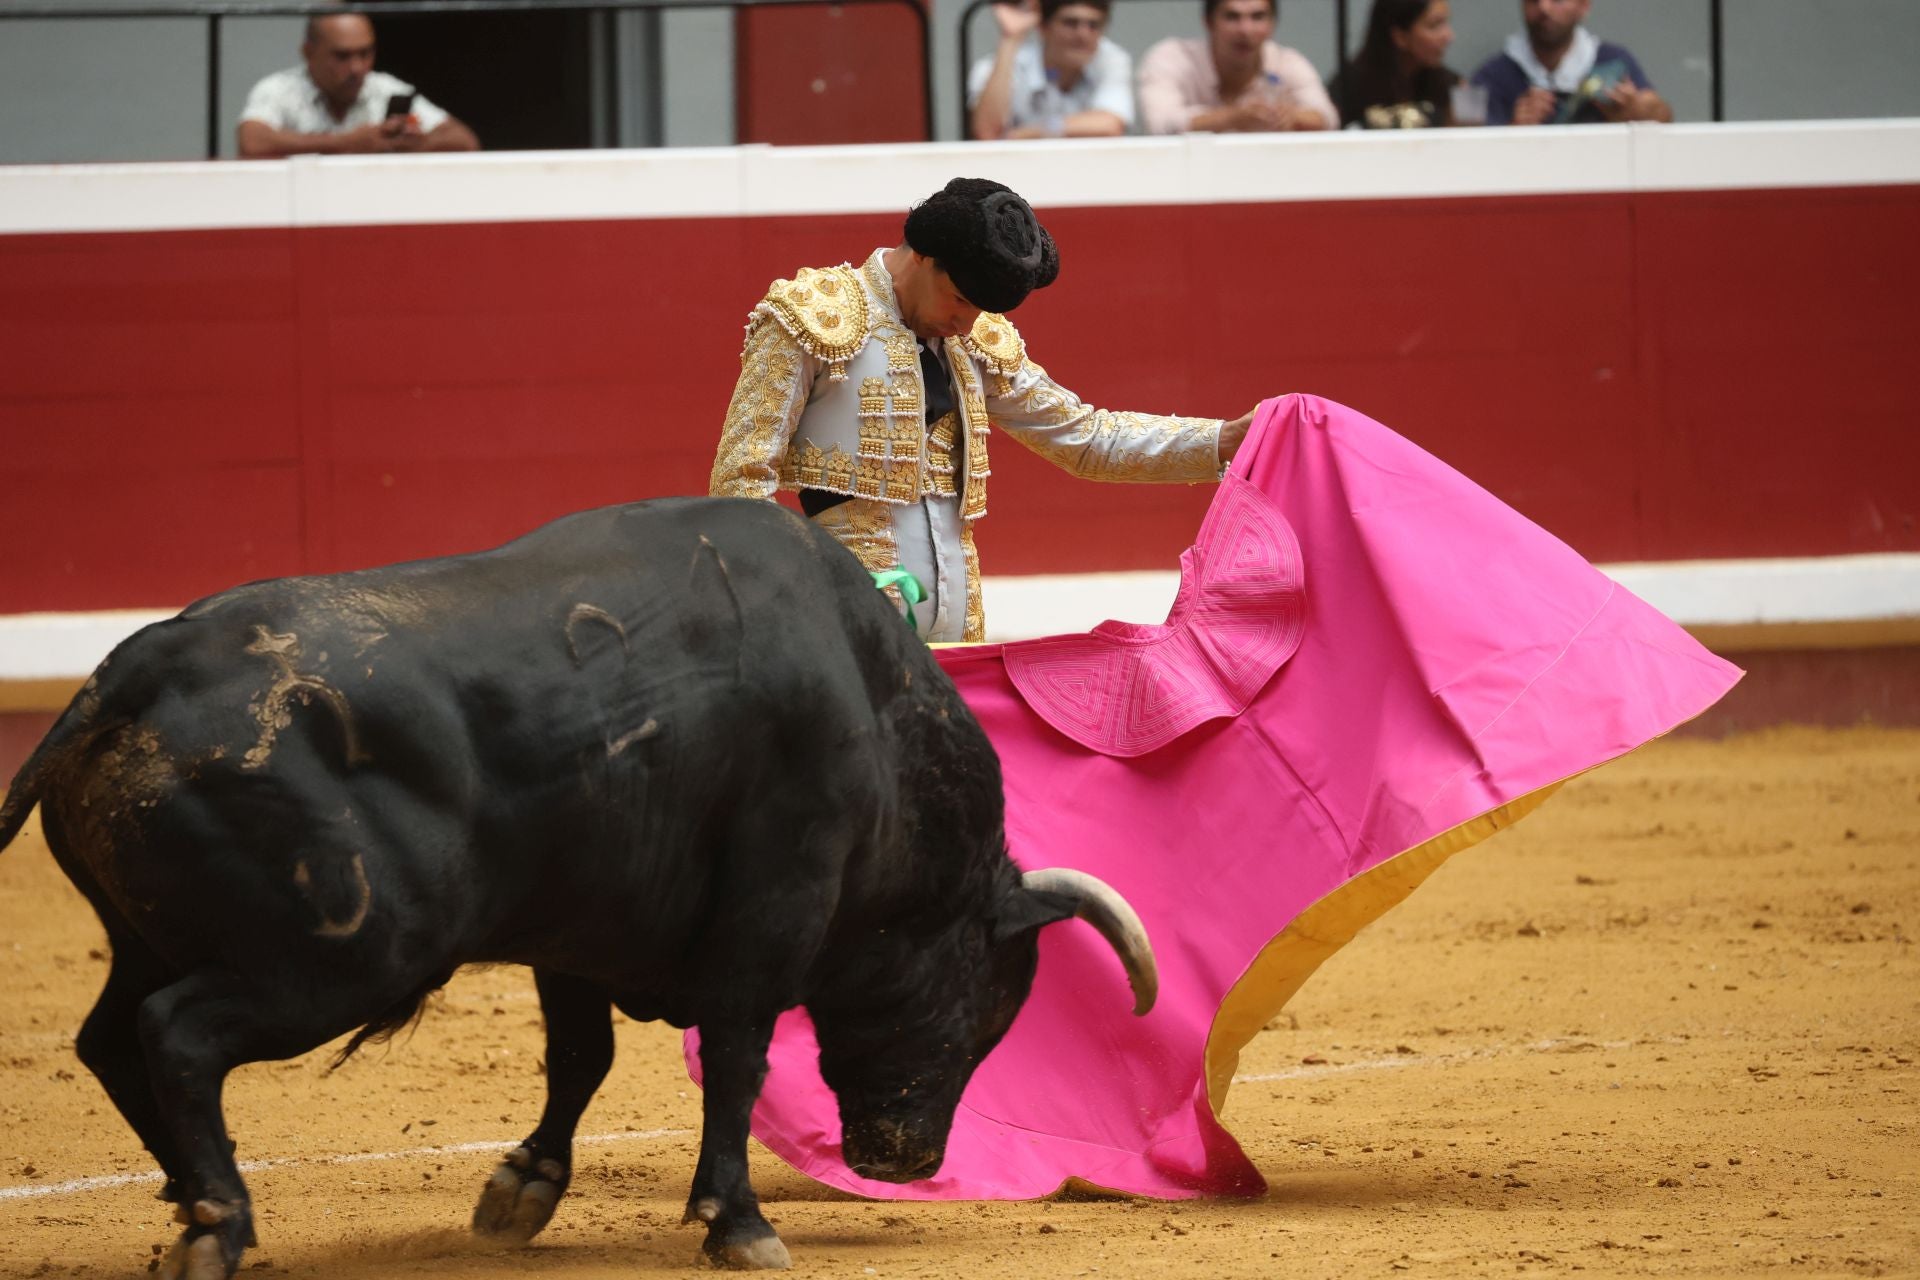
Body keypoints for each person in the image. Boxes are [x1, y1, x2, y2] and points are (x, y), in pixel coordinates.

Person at [708, 178, 1254, 643]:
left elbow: (1086, 439)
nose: (968, 323)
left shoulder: (977, 345)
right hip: (843, 628)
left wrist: (1224, 440)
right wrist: (775, 608)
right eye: (962, 301)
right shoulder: (811, 317)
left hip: (959, 627)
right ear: (921, 255)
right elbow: (742, 478)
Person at [236, 11, 480, 158]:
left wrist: (411, 144)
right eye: (342, 56)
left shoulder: (384, 88)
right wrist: (346, 143)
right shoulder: (279, 90)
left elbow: (464, 140)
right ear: (308, 53)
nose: (357, 68)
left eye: (365, 54)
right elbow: (252, 141)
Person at [1136, 0, 1338, 136]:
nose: (1245, 30)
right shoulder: (1172, 57)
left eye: (1257, 17)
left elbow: (1328, 117)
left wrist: (1293, 116)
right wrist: (1232, 117)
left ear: (1272, 24)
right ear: (1208, 22)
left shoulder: (1288, 62)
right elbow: (1159, 124)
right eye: (1232, 17)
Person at [1470, 0, 1671, 127]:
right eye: (1533, 0)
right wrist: (1513, 130)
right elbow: (1466, 145)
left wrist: (1639, 112)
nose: (1544, 7)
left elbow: (1664, 117)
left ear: (1584, 6)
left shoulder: (1615, 61)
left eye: (1557, 0)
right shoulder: (1490, 74)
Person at [968, 0, 1134, 140]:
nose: (1083, 34)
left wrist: (1033, 132)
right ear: (1043, 27)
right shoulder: (995, 66)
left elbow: (1110, 124)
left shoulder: (1111, 58)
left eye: (1094, 25)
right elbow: (987, 134)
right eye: (1070, 23)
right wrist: (1010, 39)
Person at [1328, 0, 1461, 130]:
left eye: (1446, 23)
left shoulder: (1453, 86)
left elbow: (1465, 141)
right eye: (1434, 25)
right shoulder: (1349, 85)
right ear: (1400, 36)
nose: (1449, 36)